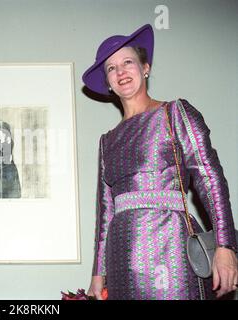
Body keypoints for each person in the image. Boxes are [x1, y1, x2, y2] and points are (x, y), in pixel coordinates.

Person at [82, 24, 237, 300]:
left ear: (145, 68)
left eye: (127, 62)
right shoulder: (107, 141)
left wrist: (226, 246)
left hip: (170, 249)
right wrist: (98, 273)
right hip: (122, 258)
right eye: (111, 68)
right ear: (108, 82)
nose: (120, 72)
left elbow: (210, 179)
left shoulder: (175, 113)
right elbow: (105, 215)